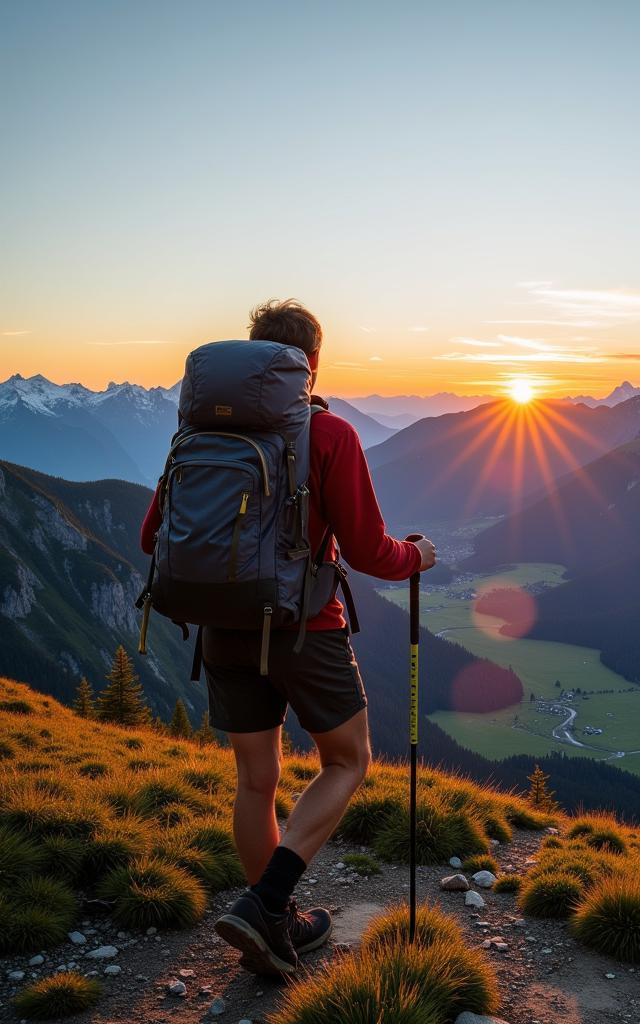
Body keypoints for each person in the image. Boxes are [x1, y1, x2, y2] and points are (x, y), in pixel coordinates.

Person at [139, 299, 435, 976]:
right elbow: (367, 550)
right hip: (305, 629)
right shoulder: (328, 435)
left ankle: (272, 921)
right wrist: (417, 557)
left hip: (219, 626)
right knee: (348, 760)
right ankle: (268, 901)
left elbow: (151, 537)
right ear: (310, 364)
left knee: (255, 780)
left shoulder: (193, 434)